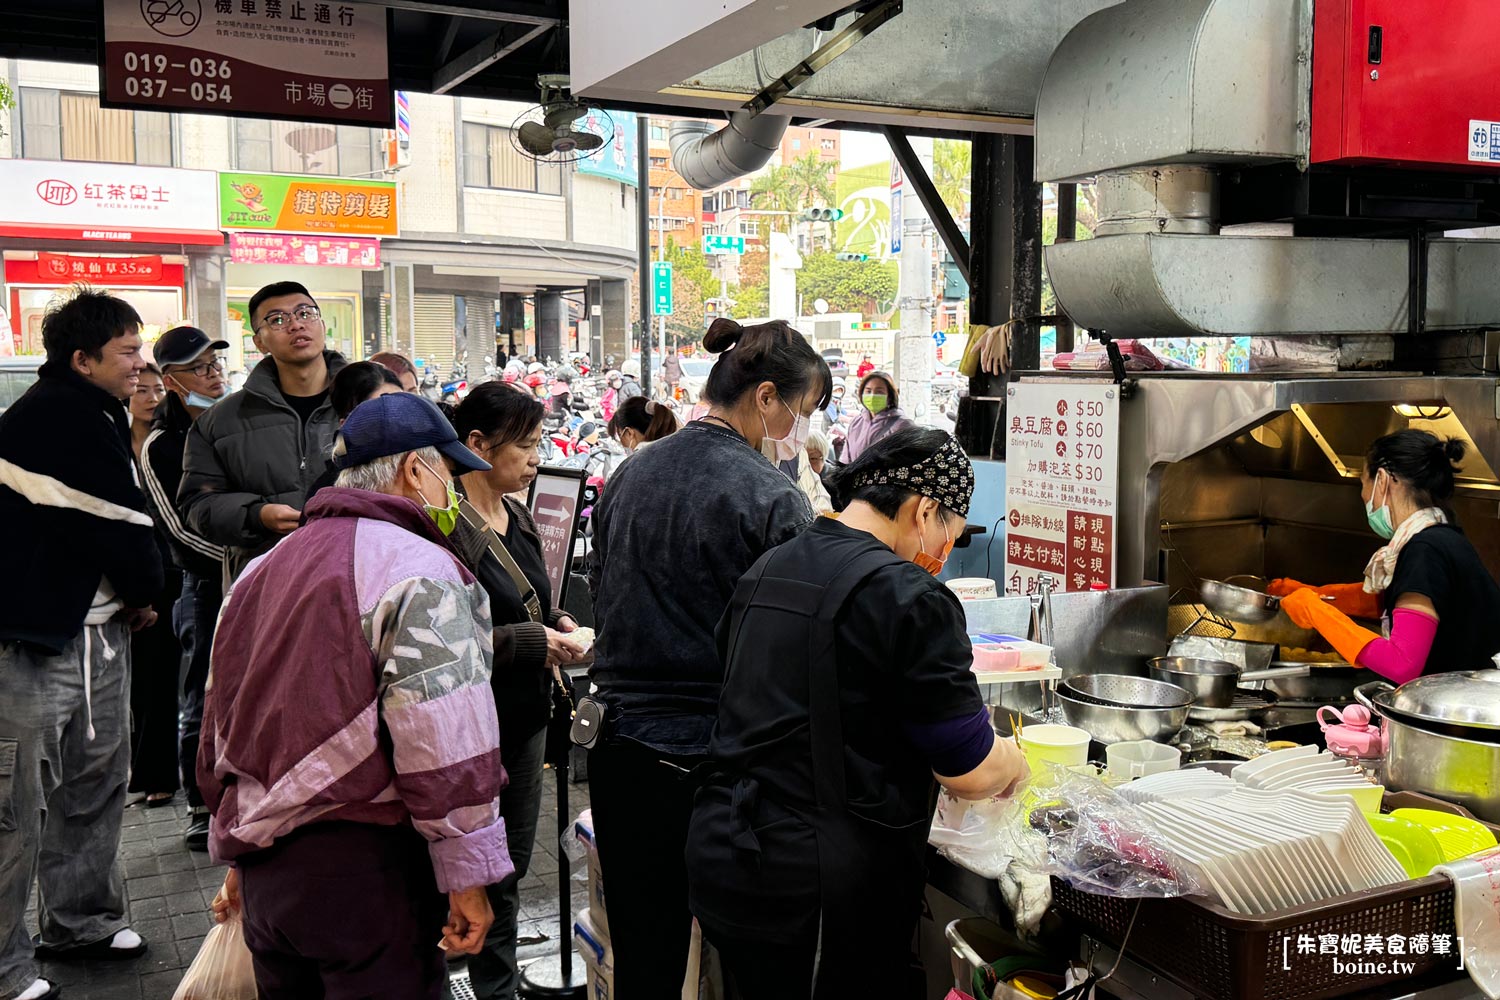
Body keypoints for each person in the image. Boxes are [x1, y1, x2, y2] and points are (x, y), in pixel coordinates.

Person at [686, 429, 1028, 998]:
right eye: (952, 529)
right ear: (924, 511)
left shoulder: (771, 565)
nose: (946, 551)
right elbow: (969, 770)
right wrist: (1015, 760)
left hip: (726, 849)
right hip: (812, 886)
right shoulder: (909, 594)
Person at [200, 392, 511, 1000]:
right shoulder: (418, 570)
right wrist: (467, 875)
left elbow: (221, 719)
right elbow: (444, 737)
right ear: (412, 469)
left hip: (270, 876)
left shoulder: (261, 569)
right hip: (368, 872)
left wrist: (236, 848)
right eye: (446, 472)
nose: (450, 490)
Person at [588, 317, 830, 997]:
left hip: (623, 753)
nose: (798, 427)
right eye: (800, 410)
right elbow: (793, 647)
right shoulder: (770, 495)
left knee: (646, 961)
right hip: (723, 772)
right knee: (754, 972)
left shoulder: (630, 475)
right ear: (765, 397)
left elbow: (607, 596)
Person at [0, 288, 164, 1000]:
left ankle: (82, 922)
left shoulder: (97, 413)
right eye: (128, 352)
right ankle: (6, 967)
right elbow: (115, 523)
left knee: (93, 787)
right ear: (82, 359)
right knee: (14, 810)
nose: (141, 364)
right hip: (32, 642)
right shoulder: (51, 419)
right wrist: (146, 590)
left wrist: (132, 595)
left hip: (99, 637)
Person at [447, 383, 588, 999]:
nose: (536, 459)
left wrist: (557, 623)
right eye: (525, 446)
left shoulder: (519, 513)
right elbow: (441, 636)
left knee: (508, 867)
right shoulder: (445, 524)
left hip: (526, 719)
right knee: (470, 869)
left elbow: (537, 597)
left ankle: (492, 983)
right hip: (467, 729)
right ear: (476, 445)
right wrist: (537, 643)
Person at [1275, 429, 1500, 680]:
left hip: (1451, 711)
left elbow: (1402, 664)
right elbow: (1398, 602)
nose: (1362, 495)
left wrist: (1316, 612)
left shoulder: (1425, 552)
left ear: (1381, 480)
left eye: (1363, 483)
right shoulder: (1443, 537)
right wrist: (1316, 594)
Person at [179, 281, 347, 583]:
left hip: (358, 576)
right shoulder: (219, 422)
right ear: (259, 342)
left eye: (305, 313)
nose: (296, 324)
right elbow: (197, 505)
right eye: (278, 320)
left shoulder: (368, 402)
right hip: (266, 586)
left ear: (322, 324)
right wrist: (255, 514)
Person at [139, 324, 232, 849]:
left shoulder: (237, 424)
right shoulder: (163, 443)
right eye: (200, 368)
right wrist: (246, 564)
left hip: (256, 577)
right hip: (204, 588)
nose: (213, 374)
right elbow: (177, 529)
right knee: (202, 694)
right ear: (172, 381)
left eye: (215, 364)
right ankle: (201, 806)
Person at [126, 364, 182, 809]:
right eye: (140, 389)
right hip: (136, 569)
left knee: (167, 671)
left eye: (157, 388)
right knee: (146, 676)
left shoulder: (172, 441)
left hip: (174, 566)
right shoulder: (112, 441)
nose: (150, 396)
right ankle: (149, 772)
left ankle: (162, 772)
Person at [305, 360, 405, 498]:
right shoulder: (328, 496)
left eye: (403, 407)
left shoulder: (430, 463)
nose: (398, 420)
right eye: (381, 414)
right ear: (347, 424)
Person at [842, 371, 915, 464]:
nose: (872, 396)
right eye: (868, 391)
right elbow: (845, 462)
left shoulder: (903, 425)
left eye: (879, 391)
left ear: (890, 396)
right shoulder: (856, 423)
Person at [606, 395, 679, 454]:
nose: (621, 444)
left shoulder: (634, 465)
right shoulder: (676, 451)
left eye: (620, 435)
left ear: (629, 433)